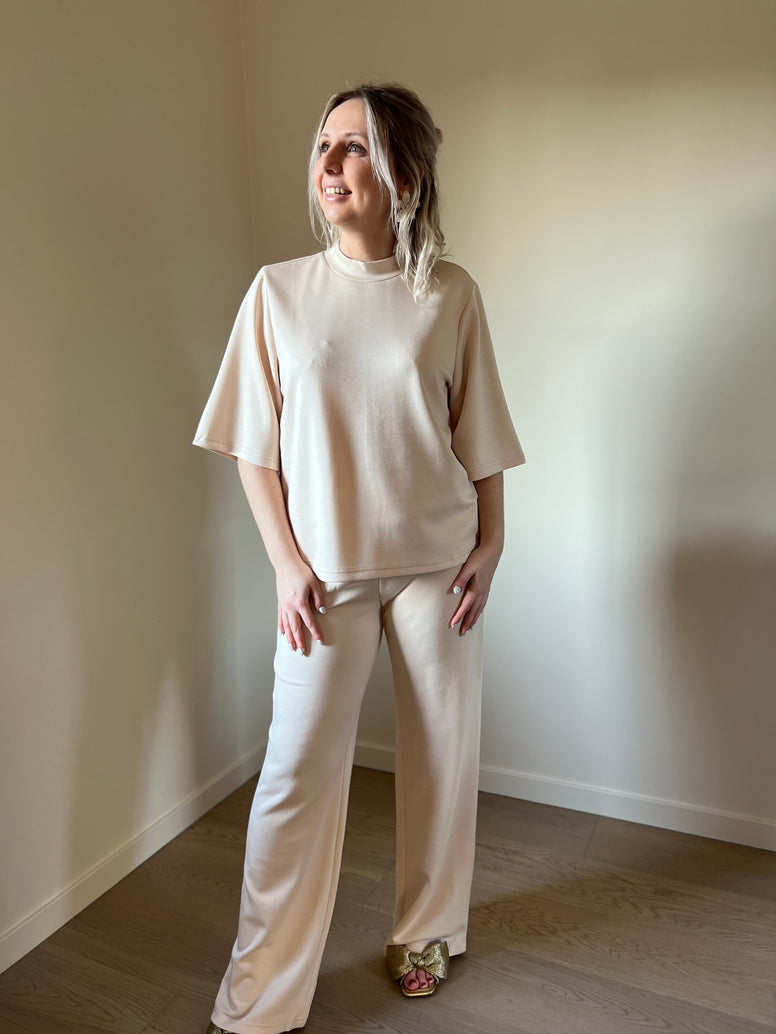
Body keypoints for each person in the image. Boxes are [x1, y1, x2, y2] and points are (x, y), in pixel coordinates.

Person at [193, 82, 525, 1034]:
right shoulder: (278, 292)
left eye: (356, 147)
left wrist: (492, 541)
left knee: (442, 760)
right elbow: (252, 447)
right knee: (294, 775)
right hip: (323, 577)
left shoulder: (449, 294)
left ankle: (427, 932)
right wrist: (286, 563)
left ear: (404, 174)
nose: (330, 163)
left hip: (437, 567)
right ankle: (262, 993)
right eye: (324, 145)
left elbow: (479, 436)